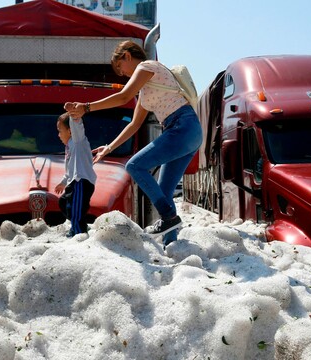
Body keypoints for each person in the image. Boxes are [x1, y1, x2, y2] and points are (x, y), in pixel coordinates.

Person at [64, 40, 202, 246]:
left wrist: (86, 107)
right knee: (164, 191)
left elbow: (123, 97)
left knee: (135, 166)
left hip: (182, 126)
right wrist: (109, 147)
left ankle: (170, 218)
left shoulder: (147, 66)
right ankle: (171, 245)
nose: (123, 74)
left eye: (121, 67)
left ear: (127, 55)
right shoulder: (145, 92)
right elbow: (134, 125)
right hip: (187, 132)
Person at [55, 112, 96, 237]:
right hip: (73, 181)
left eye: (60, 131)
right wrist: (63, 182)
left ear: (70, 131)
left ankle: (78, 232)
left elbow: (77, 125)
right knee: (64, 203)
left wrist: (74, 114)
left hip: (81, 181)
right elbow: (70, 170)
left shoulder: (78, 141)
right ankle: (80, 224)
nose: (58, 135)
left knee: (75, 208)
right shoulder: (69, 147)